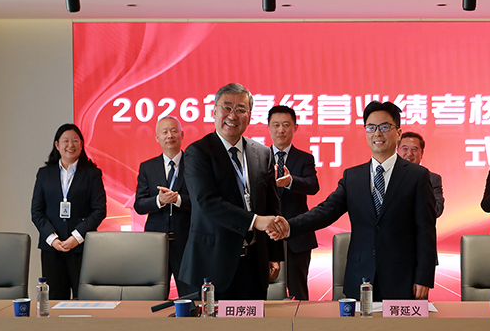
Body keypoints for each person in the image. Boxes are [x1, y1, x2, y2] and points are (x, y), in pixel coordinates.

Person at [270, 101, 436, 301]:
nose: (377, 133)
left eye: (384, 127)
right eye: (371, 127)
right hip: (360, 276)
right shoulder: (353, 177)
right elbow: (326, 211)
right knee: (359, 323)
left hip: (403, 277)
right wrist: (289, 226)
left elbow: (426, 230)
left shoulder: (417, 176)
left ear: (398, 132)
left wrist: (424, 276)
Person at [179, 83, 284, 300]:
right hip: (212, 264)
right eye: (226, 107)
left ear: (249, 116)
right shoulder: (198, 152)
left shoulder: (263, 153)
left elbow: (271, 205)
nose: (232, 115)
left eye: (240, 109)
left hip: (254, 265)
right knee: (214, 323)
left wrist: (274, 254)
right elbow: (206, 201)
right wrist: (255, 221)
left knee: (253, 321)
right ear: (214, 112)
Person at [31, 124, 107, 300]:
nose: (70, 145)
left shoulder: (92, 174)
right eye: (66, 141)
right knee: (55, 301)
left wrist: (76, 238)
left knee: (85, 300)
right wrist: (53, 239)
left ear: (81, 144)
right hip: (52, 249)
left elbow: (99, 210)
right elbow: (37, 212)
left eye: (75, 141)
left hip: (82, 247)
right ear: (57, 145)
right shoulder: (44, 174)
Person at [134, 116, 192, 296]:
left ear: (182, 134)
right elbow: (139, 205)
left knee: (189, 296)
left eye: (174, 131)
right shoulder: (147, 167)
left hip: (187, 241)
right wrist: (159, 201)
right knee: (155, 297)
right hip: (156, 242)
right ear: (157, 137)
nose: (169, 135)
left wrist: (178, 200)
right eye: (164, 132)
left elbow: (202, 201)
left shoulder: (194, 165)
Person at [268, 105, 320, 300]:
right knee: (264, 291)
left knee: (298, 291)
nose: (281, 130)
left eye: (286, 125)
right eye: (276, 125)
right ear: (269, 127)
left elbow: (313, 186)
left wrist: (291, 182)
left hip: (297, 236)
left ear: (295, 127)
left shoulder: (305, 158)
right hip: (267, 234)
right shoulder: (258, 157)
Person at [398, 131, 444, 218]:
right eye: (404, 148)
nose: (409, 154)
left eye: (414, 149)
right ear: (397, 151)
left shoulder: (432, 178)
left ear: (421, 153)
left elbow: (437, 210)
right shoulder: (387, 176)